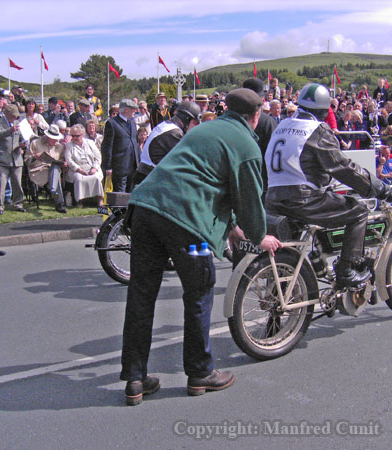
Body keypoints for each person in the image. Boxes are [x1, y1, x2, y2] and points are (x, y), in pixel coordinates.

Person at [120, 88, 281, 404]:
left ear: (225, 109)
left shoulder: (204, 128)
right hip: (186, 229)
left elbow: (205, 180)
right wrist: (256, 234)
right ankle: (200, 372)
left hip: (145, 212)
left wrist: (232, 227)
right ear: (257, 115)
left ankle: (135, 379)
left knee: (141, 293)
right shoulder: (247, 144)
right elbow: (249, 200)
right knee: (200, 288)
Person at [265, 82, 390, 289]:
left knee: (295, 244)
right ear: (325, 110)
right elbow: (342, 166)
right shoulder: (316, 129)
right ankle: (346, 271)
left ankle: (285, 281)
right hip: (301, 198)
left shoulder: (283, 125)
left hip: (273, 196)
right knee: (358, 210)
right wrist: (375, 187)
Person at [133, 101, 201, 186]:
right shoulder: (174, 133)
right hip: (151, 180)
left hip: (147, 176)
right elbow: (184, 162)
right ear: (186, 119)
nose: (195, 127)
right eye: (195, 123)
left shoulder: (166, 125)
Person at [0, 104, 27, 214]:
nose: (14, 118)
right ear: (6, 114)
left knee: (17, 182)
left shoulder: (18, 123)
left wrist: (23, 144)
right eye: (12, 116)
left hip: (16, 158)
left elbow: (23, 137)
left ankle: (18, 203)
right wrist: (10, 130)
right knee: (1, 184)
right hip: (2, 158)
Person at [24, 124, 68, 213]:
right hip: (38, 171)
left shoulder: (59, 146)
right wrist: (35, 157)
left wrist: (64, 163)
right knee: (56, 176)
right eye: (54, 138)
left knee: (55, 167)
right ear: (48, 137)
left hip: (53, 171)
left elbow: (62, 159)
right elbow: (26, 160)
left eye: (56, 139)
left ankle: (52, 190)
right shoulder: (35, 143)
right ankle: (59, 202)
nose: (56, 140)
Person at [101, 99, 141, 193]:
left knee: (130, 192)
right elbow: (107, 146)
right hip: (119, 165)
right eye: (133, 109)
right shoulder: (112, 123)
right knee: (120, 195)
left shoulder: (132, 123)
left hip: (133, 165)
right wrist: (108, 166)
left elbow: (135, 143)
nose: (135, 111)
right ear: (126, 109)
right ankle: (120, 208)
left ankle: (128, 208)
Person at [65, 124, 104, 207]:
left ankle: (100, 199)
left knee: (96, 177)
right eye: (73, 136)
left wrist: (94, 168)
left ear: (82, 135)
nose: (75, 138)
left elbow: (98, 156)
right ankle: (80, 201)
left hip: (91, 167)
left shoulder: (90, 143)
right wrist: (79, 169)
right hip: (77, 169)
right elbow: (69, 160)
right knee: (78, 178)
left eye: (77, 136)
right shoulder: (69, 146)